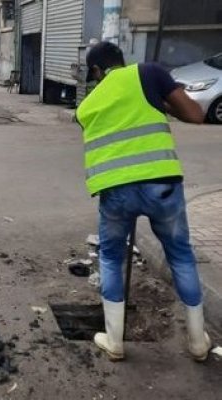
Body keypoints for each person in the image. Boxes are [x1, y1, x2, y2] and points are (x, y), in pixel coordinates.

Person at [76, 41, 211, 362]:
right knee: (181, 256)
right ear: (122, 60)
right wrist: (160, 101)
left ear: (97, 70)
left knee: (111, 258)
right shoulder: (149, 74)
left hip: (115, 191)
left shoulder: (86, 105)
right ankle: (197, 342)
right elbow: (195, 115)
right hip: (161, 184)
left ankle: (114, 341)